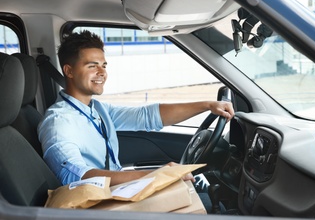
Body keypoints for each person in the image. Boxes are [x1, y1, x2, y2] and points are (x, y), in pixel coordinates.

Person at [38, 30, 235, 188]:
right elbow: (75, 176)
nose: (102, 72)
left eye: (104, 65)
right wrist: (156, 175)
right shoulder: (58, 122)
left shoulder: (96, 108)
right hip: (96, 204)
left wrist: (207, 105)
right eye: (92, 66)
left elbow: (147, 116)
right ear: (69, 71)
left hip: (115, 191)